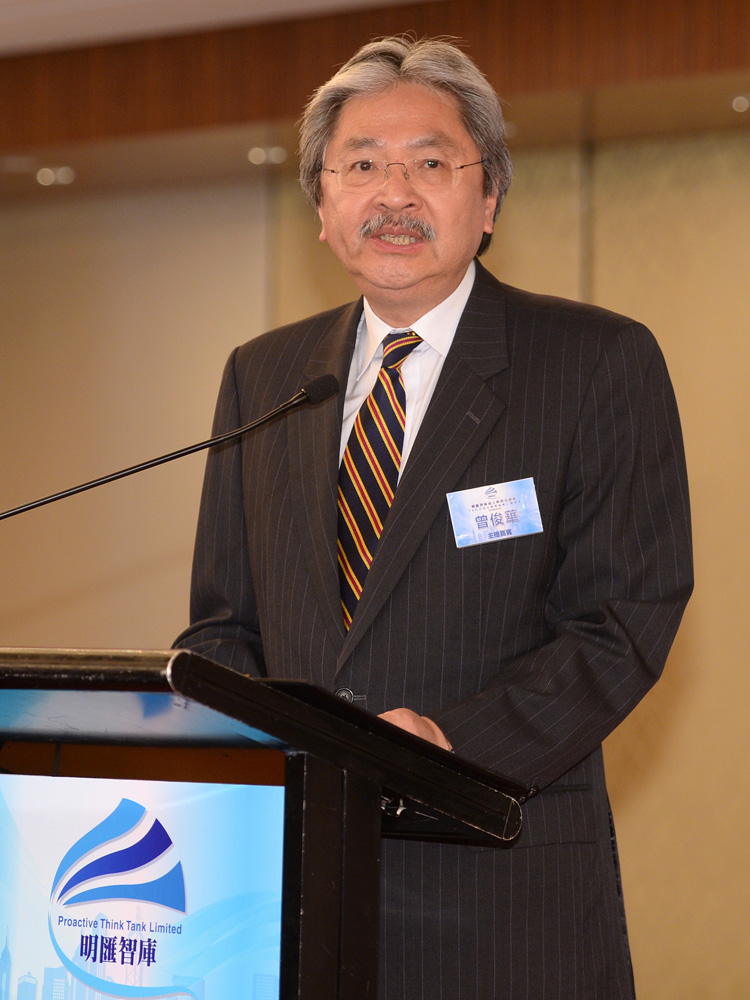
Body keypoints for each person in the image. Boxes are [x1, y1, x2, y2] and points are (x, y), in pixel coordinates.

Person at [175, 35, 693, 999]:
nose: (394, 195)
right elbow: (222, 626)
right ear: (322, 206)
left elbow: (624, 621)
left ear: (488, 199)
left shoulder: (594, 362)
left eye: (430, 163)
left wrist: (450, 746)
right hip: (291, 893)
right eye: (362, 165)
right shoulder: (266, 375)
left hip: (499, 893)